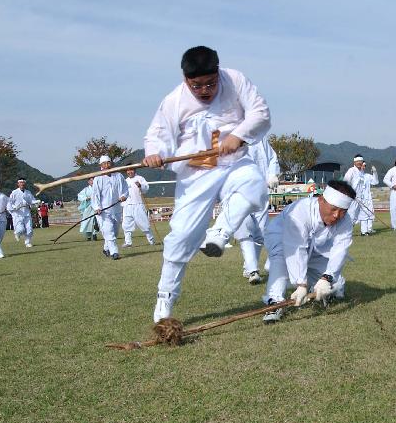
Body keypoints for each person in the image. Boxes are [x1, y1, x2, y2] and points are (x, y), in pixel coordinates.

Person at [142, 45, 271, 322]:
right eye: (196, 85)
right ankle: (165, 298)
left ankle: (219, 234)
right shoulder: (174, 101)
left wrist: (239, 135)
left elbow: (260, 112)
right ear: (185, 79)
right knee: (181, 236)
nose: (204, 90)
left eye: (210, 83)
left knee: (255, 184)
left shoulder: (235, 80)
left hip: (233, 161)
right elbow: (158, 134)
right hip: (196, 173)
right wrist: (156, 154)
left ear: (218, 72)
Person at [261, 180, 356, 323]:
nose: (337, 215)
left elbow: (340, 250)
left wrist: (326, 278)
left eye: (343, 211)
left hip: (316, 248)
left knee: (337, 287)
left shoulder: (345, 221)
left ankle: (317, 287)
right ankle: (274, 302)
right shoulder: (300, 211)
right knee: (280, 259)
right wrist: (301, 284)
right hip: (281, 237)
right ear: (321, 200)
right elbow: (295, 247)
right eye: (334, 209)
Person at [231, 136, 280, 284]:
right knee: (245, 229)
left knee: (260, 232)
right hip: (239, 191)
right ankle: (253, 270)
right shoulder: (230, 137)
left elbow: (272, 158)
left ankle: (249, 267)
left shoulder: (260, 139)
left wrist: (272, 174)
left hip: (260, 191)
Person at [92, 155, 129, 259]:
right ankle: (114, 253)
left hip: (116, 208)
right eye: (104, 164)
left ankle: (106, 248)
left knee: (115, 233)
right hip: (103, 211)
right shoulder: (98, 178)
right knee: (108, 231)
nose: (106, 165)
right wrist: (97, 207)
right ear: (101, 165)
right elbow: (95, 195)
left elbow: (125, 189)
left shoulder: (118, 175)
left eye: (108, 163)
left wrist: (123, 196)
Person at [343, 154, 379, 235]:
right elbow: (345, 182)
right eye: (357, 161)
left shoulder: (363, 174)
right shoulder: (351, 171)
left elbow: (375, 181)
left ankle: (364, 232)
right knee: (352, 215)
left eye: (361, 161)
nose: (359, 163)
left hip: (362, 198)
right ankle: (346, 232)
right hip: (353, 197)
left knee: (363, 215)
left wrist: (375, 172)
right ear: (354, 162)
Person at [121, 168, 156, 247]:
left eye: (131, 170)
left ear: (135, 170)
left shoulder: (140, 178)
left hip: (138, 204)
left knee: (144, 223)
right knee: (126, 224)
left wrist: (140, 186)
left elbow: (146, 188)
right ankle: (128, 242)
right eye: (128, 170)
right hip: (127, 205)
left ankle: (151, 240)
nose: (130, 172)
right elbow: (121, 193)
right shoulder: (125, 181)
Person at [7, 177, 40, 247]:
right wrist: (14, 207)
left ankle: (27, 242)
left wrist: (36, 202)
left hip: (26, 213)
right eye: (20, 182)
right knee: (20, 229)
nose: (22, 184)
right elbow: (9, 203)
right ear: (18, 184)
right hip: (18, 214)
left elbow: (31, 201)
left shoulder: (28, 192)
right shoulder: (14, 193)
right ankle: (17, 233)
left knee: (29, 229)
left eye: (23, 182)